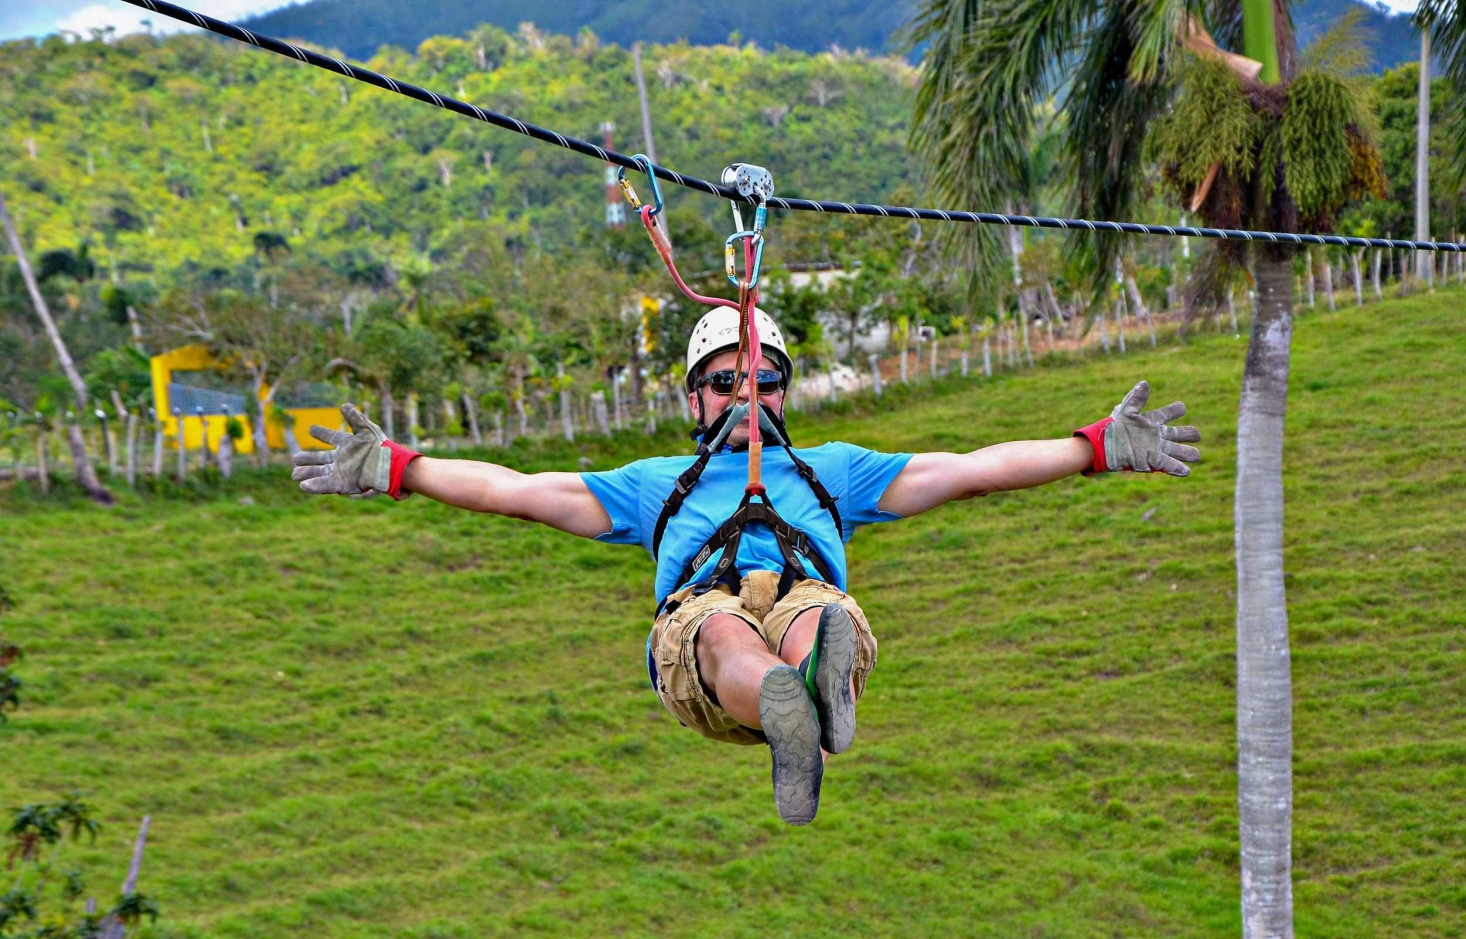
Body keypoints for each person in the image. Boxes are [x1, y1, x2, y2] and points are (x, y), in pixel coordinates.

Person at [291, 305, 1201, 825]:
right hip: (700, 628)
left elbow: (965, 470)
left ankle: (816, 679)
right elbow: (516, 488)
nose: (748, 395)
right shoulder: (656, 485)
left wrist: (1093, 446)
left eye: (764, 380)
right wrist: (399, 466)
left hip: (807, 598)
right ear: (697, 397)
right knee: (724, 629)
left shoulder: (833, 471)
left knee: (814, 608)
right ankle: (786, 702)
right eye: (728, 381)